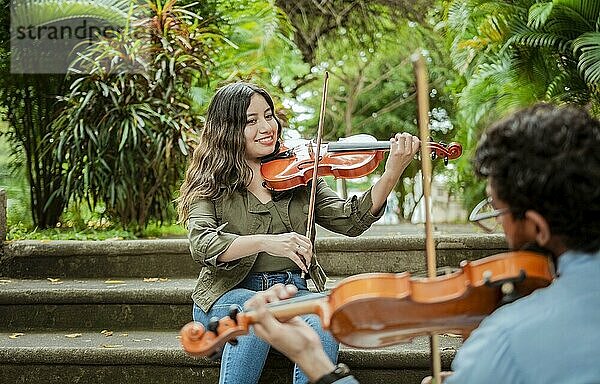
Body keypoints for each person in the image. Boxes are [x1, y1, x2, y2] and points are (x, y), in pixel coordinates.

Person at [244, 103, 600, 383]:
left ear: (537, 228)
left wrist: (313, 362)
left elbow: (351, 219)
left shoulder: (506, 341)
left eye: (498, 212)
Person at [177, 81, 420, 384]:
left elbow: (350, 220)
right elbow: (203, 243)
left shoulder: (301, 171)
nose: (267, 127)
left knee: (325, 321)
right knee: (253, 313)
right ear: (226, 129)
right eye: (251, 121)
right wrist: (268, 242)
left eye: (269, 115)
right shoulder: (209, 182)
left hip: (294, 292)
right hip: (229, 291)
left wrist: (392, 172)